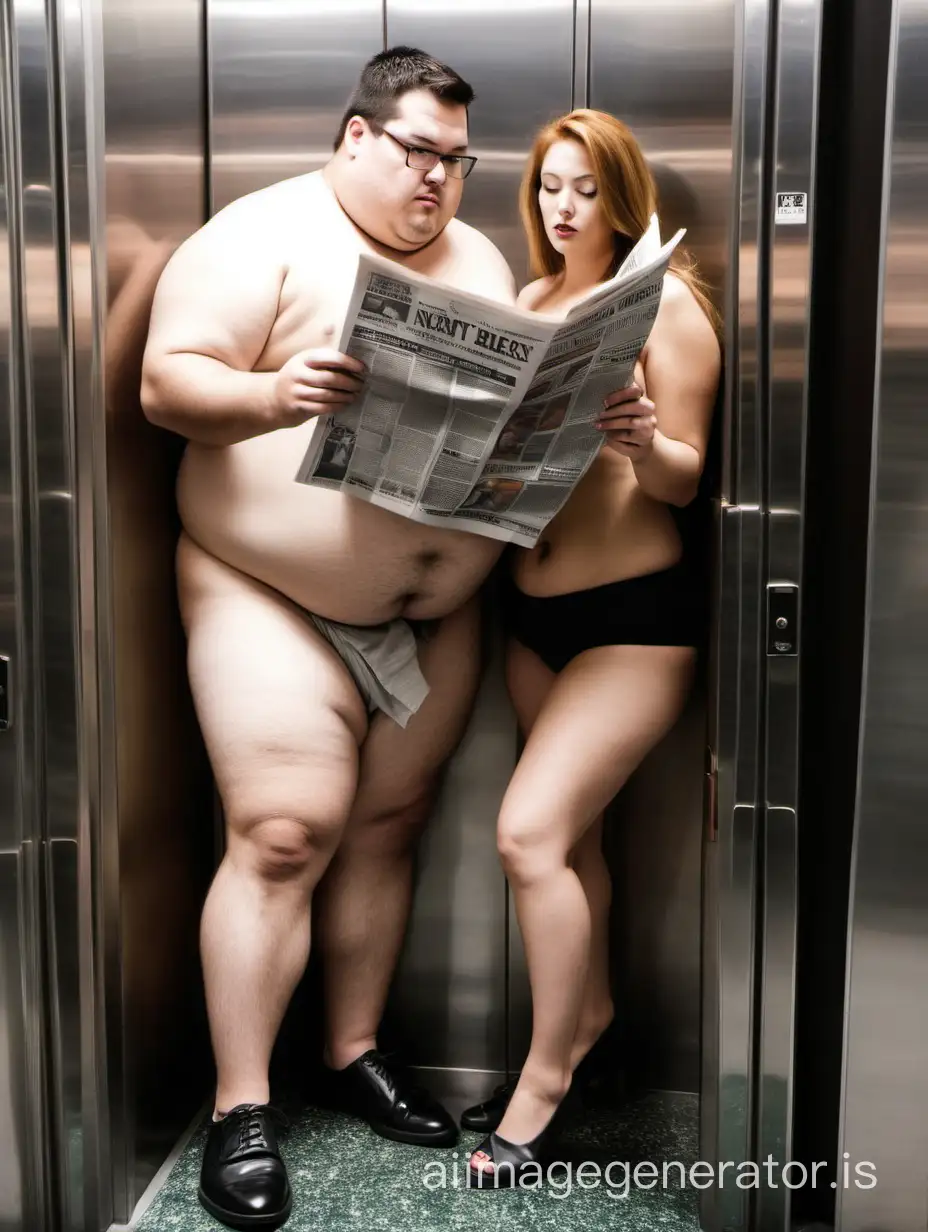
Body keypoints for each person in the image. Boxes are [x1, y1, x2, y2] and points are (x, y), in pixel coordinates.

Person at [139, 47, 521, 1230]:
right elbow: (165, 382)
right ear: (355, 136)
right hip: (269, 594)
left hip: (434, 612)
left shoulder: (480, 258)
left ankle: (352, 1047)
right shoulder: (259, 236)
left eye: (458, 161)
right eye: (418, 152)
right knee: (284, 832)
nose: (439, 181)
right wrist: (274, 396)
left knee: (389, 827)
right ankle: (240, 1103)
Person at [463, 109, 722, 1188]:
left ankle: (543, 1083)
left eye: (584, 188)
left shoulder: (666, 305)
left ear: (622, 196)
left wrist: (641, 437)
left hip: (632, 619)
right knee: (573, 848)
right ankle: (593, 1022)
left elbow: (685, 478)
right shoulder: (526, 305)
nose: (564, 208)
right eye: (548, 188)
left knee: (526, 835)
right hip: (531, 616)